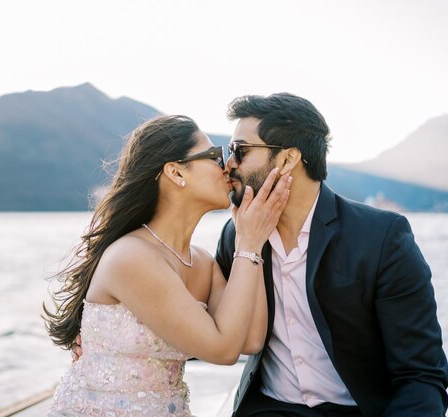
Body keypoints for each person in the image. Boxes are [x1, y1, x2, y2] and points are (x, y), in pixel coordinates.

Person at [215, 93, 448, 417]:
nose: (229, 164)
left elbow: (421, 375)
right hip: (268, 409)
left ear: (287, 159)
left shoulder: (381, 237)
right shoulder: (235, 238)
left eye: (239, 151)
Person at [43, 114, 291, 417]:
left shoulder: (202, 263)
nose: (227, 166)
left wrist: (253, 238)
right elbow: (224, 351)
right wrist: (249, 244)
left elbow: (250, 339)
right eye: (214, 156)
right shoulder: (131, 257)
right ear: (175, 172)